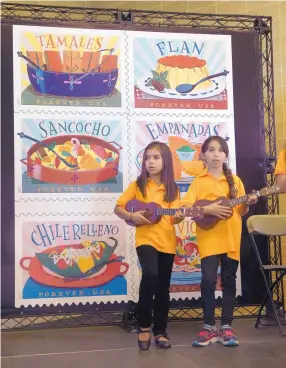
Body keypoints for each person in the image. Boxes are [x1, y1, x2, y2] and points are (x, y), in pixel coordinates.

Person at [182, 136, 257, 347]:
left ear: (225, 155)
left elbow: (241, 210)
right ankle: (208, 326)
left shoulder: (236, 182)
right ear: (203, 154)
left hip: (231, 238)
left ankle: (226, 326)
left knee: (229, 281)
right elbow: (186, 208)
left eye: (220, 150)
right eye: (211, 150)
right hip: (209, 239)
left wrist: (248, 203)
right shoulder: (199, 181)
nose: (216, 154)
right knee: (207, 281)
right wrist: (209, 209)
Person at [114, 141, 185, 350]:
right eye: (147, 158)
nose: (151, 162)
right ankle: (143, 324)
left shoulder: (173, 189)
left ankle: (160, 331)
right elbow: (118, 208)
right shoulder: (138, 185)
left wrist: (181, 216)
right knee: (151, 275)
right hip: (145, 239)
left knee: (163, 287)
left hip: (167, 242)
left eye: (156, 158)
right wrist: (131, 215)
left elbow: (174, 218)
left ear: (166, 161)